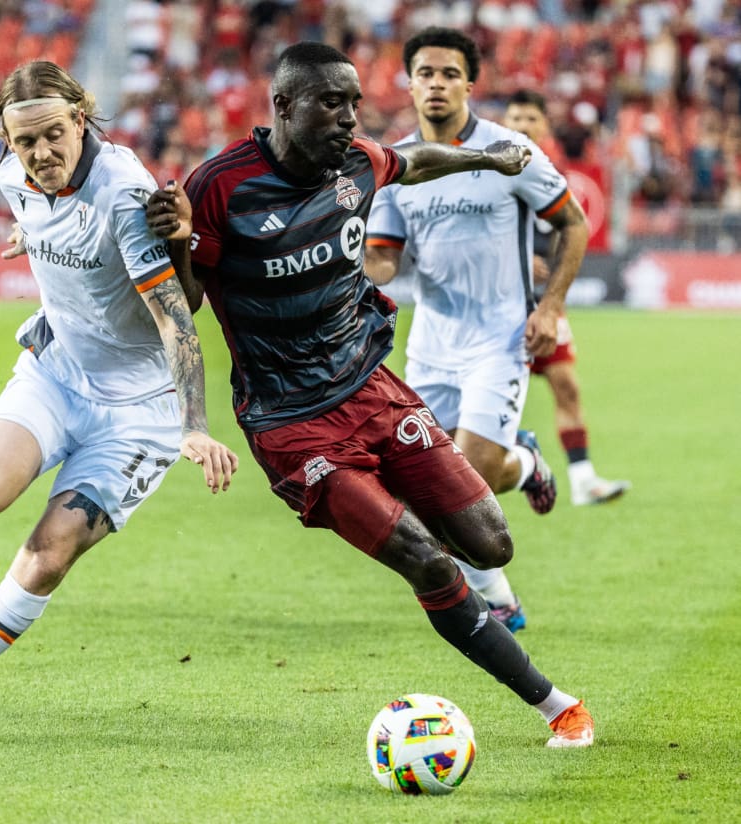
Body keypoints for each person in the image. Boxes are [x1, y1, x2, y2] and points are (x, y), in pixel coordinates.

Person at [145, 41, 593, 747]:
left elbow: (414, 162)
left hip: (373, 388)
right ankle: (558, 706)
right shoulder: (219, 188)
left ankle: (461, 482)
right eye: (332, 103)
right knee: (428, 560)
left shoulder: (357, 161)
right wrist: (192, 419)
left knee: (491, 544)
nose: (351, 118)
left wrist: (485, 158)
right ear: (284, 106)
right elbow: (185, 305)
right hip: (293, 425)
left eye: (355, 103)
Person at [0, 60, 238, 746]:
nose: (39, 154)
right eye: (23, 142)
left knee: (47, 555)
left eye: (51, 136)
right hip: (58, 374)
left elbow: (175, 318)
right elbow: (40, 216)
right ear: (6, 142)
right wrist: (30, 235)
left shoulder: (125, 197)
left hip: (140, 413)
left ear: (80, 118)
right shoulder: (14, 179)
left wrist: (195, 426)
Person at [362, 28, 590, 633]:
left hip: (501, 337)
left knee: (475, 471)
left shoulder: (509, 151)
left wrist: (550, 307)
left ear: (469, 82)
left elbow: (574, 223)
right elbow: (387, 257)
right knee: (425, 487)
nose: (436, 83)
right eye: (426, 73)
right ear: (408, 83)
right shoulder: (396, 165)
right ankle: (502, 595)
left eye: (449, 73)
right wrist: (354, 260)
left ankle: (516, 460)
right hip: (432, 344)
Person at [503, 89, 631, 506]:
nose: (522, 126)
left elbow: (567, 236)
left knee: (568, 387)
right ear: (504, 124)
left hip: (543, 305)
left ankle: (582, 479)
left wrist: (554, 287)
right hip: (498, 307)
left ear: (544, 126)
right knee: (493, 400)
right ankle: (487, 476)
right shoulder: (485, 176)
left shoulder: (551, 178)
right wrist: (516, 262)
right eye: (515, 118)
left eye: (530, 119)